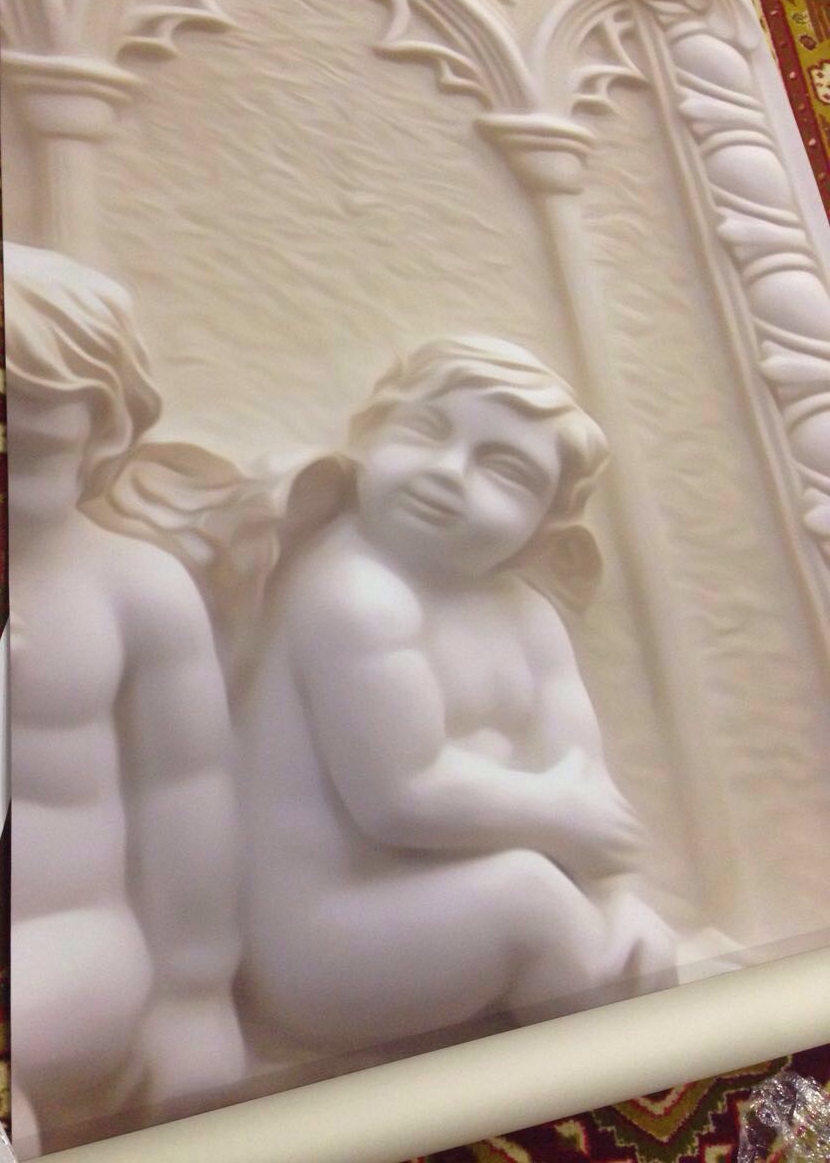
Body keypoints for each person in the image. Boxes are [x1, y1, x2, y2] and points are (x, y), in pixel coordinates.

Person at [237, 335, 675, 1054]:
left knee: (634, 939)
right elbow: (401, 796)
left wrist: (611, 899)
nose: (446, 472)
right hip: (325, 941)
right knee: (532, 902)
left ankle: (641, 1055)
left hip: (465, 906)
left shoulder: (527, 615)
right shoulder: (354, 591)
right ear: (369, 436)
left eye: (504, 471)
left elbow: (582, 783)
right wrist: (561, 823)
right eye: (425, 431)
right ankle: (628, 1072)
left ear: (545, 523)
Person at [5, 243, 245, 1155]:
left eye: (28, 450)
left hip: (70, 945)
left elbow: (187, 791)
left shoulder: (132, 588)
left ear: (101, 436)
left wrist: (195, 994)